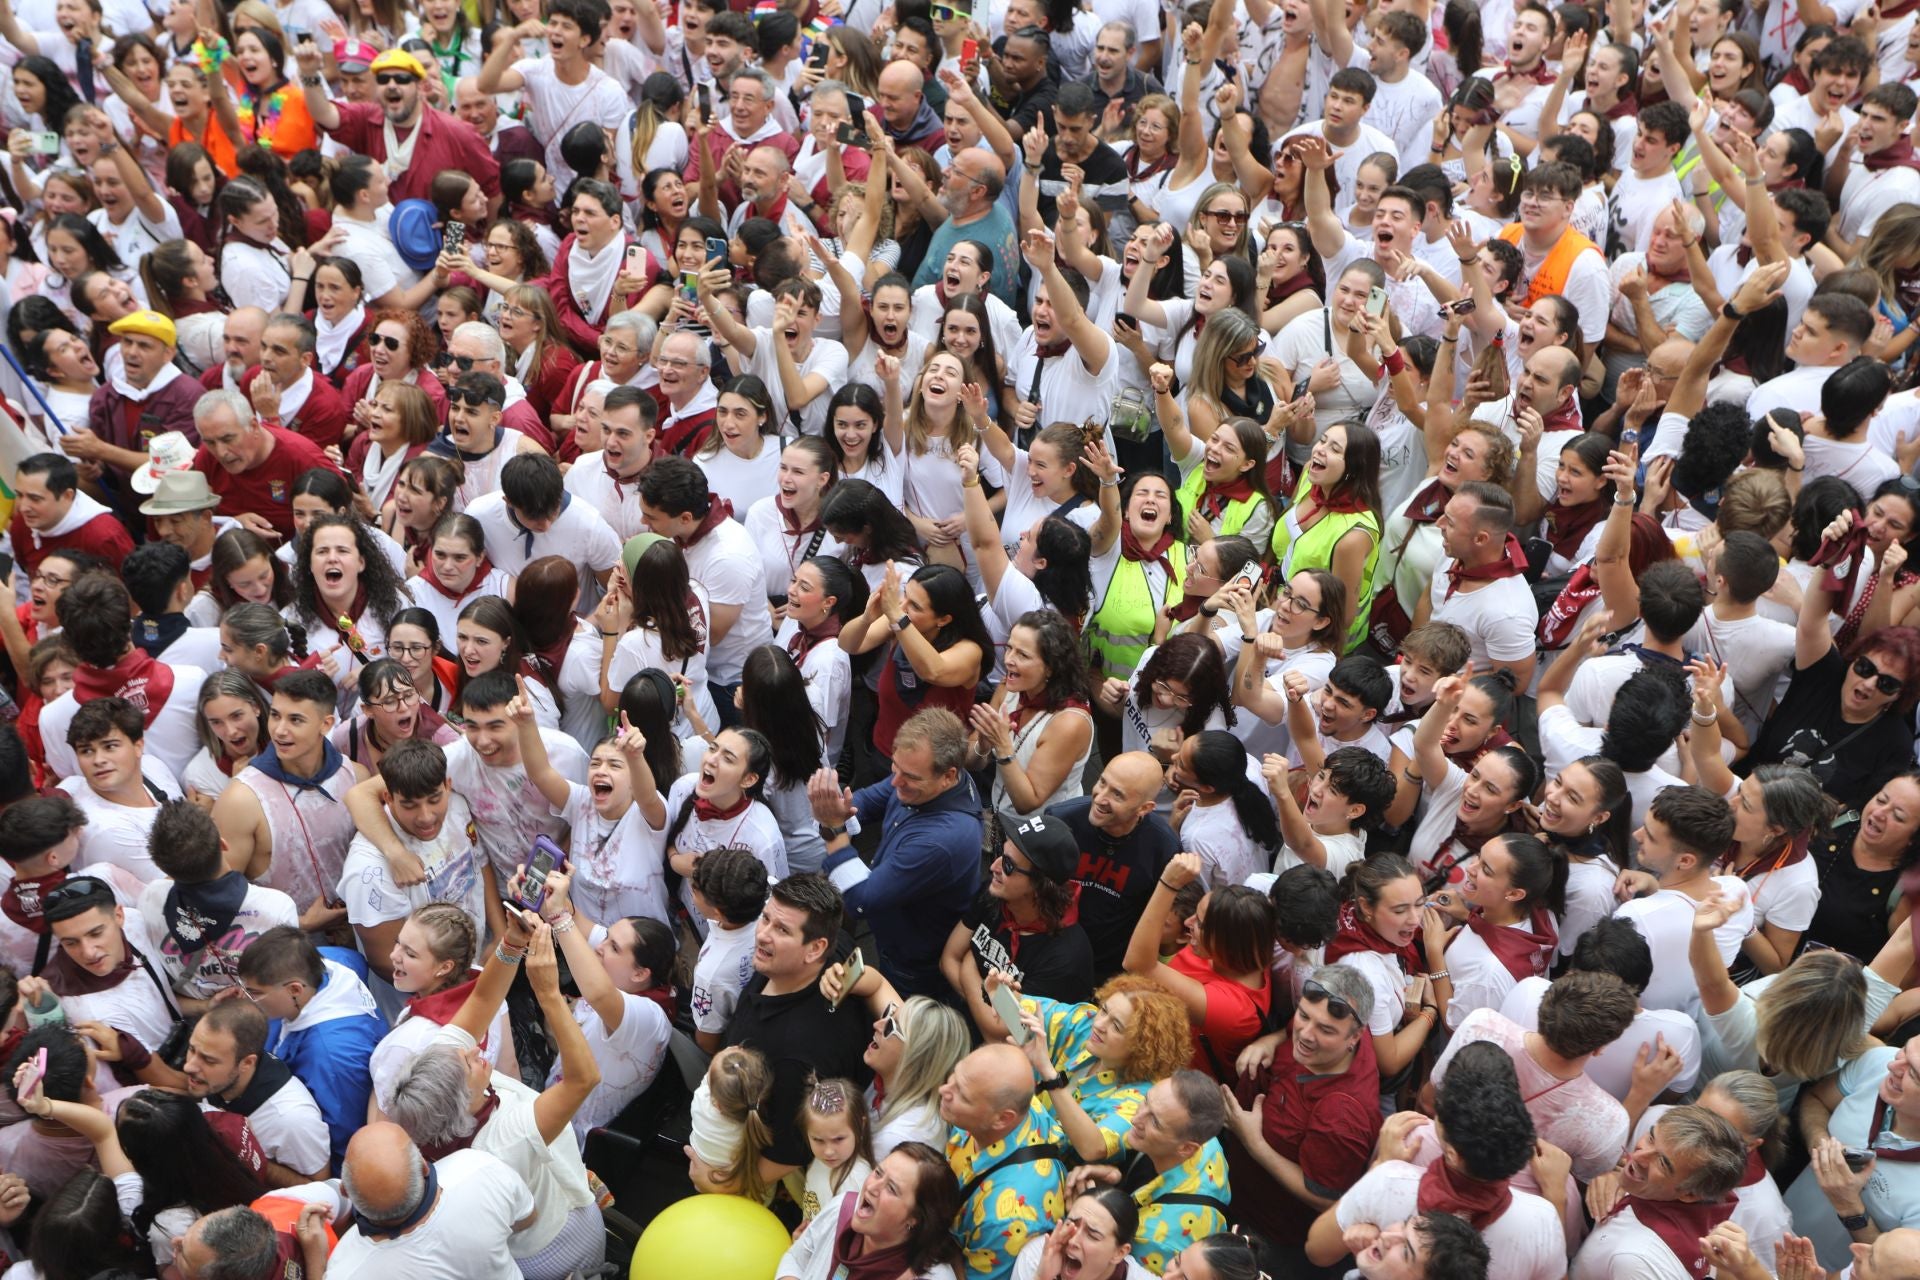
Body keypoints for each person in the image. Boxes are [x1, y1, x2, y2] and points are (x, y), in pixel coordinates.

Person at [1305, 1041, 1566, 1280]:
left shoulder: (1390, 1179)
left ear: (1452, 1152)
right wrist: (1556, 1194)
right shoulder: (1542, 1218)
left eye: (1407, 1248)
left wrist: (1380, 1163)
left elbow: (1317, 1250)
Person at [808, 709, 983, 999]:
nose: (895, 782)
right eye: (895, 767)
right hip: (897, 928)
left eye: (910, 776)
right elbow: (870, 799)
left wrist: (833, 829)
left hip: (914, 960)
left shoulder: (943, 840)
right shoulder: (925, 782)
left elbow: (862, 900)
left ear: (948, 776)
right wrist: (843, 811)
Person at [724, 874, 875, 1183]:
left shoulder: (795, 1057)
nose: (763, 935)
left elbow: (787, 1155)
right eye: (765, 918)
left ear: (815, 948)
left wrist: (724, 1187)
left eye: (781, 930)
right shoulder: (835, 952)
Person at [1218, 964, 1381, 1250]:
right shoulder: (1328, 1017)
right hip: (1232, 1189)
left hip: (1268, 1237)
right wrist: (1271, 1040)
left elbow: (1327, 1199)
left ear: (1355, 1037)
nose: (1306, 1034)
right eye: (1303, 1016)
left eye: (1325, 1030)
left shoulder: (1342, 1117)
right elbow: (1298, 1028)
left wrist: (1254, 1143)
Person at [237, 924, 387, 1174]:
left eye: (254, 993)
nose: (247, 999)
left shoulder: (328, 1058)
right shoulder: (336, 961)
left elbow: (343, 1135)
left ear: (295, 989)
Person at [140, 799, 299, 1006]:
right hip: (264, 1018)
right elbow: (287, 986)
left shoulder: (150, 898)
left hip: (199, 1022)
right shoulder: (277, 907)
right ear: (223, 844)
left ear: (163, 867)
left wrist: (206, 1007)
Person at [328, 1122, 534, 1280]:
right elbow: (527, 1218)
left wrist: (315, 1257)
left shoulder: (347, 1269)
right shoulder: (478, 1168)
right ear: (423, 1166)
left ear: (345, 1190)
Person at [1571, 1107, 1748, 1280]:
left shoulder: (1637, 1260)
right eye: (1650, 1137)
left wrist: (1555, 1194)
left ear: (1689, 1195)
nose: (1638, 1157)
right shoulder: (1700, 1207)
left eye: (1663, 1163)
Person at [943, 1042, 1069, 1280]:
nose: (944, 1090)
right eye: (954, 1076)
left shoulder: (1005, 1220)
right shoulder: (1009, 1102)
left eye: (963, 1095)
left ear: (1002, 1119)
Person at [179, 999, 332, 1184]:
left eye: (209, 1060)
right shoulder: (215, 1078)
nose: (189, 1066)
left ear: (247, 1063)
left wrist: (250, 1155)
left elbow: (320, 1190)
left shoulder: (292, 1121)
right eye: (191, 1049)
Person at [1053, 752, 1178, 977]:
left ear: (1144, 808)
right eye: (1102, 782)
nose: (1101, 798)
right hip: (1050, 951)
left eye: (1117, 795)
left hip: (1109, 969)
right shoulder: (1061, 820)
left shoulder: (1163, 848)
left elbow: (1158, 922)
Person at [776, 1142, 966, 1280]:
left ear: (914, 1218)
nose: (873, 1187)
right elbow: (796, 1258)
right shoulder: (842, 1207)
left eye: (891, 1188)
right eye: (878, 1172)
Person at [7, 452, 133, 582]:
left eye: (35, 499)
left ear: (67, 495)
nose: (23, 507)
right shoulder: (23, 523)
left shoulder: (104, 536)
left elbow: (132, 593)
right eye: (20, 495)